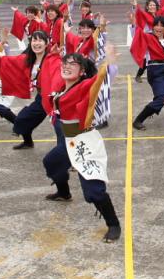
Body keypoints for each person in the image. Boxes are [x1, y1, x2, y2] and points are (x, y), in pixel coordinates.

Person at [41, 47, 121, 243]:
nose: (66, 66)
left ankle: (113, 224)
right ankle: (64, 193)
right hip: (68, 140)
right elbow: (51, 70)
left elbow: (99, 80)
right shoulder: (62, 85)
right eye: (65, 63)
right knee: (51, 163)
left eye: (73, 64)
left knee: (93, 192)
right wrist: (52, 54)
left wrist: (109, 64)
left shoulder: (84, 85)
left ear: (82, 71)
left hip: (84, 141)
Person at [0, 31, 58, 149]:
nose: (37, 43)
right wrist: (3, 58)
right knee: (24, 118)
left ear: (46, 43)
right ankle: (28, 142)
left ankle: (66, 153)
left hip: (54, 99)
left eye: (40, 40)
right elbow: (14, 61)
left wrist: (56, 55)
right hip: (41, 97)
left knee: (60, 128)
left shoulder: (51, 59)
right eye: (34, 40)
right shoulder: (29, 59)